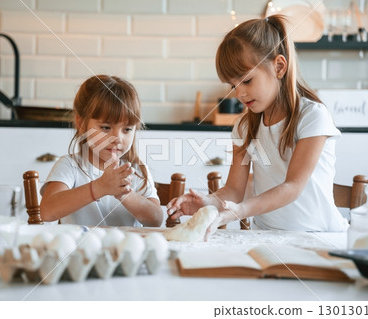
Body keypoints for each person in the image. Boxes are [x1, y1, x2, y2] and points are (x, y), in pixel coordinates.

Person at [167, 15, 348, 234]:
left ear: (279, 67)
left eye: (247, 80)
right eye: (233, 86)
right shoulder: (244, 127)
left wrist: (240, 210)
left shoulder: (312, 117)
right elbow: (234, 189)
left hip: (321, 237)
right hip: (267, 235)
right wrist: (206, 202)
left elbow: (292, 187)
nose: (240, 94)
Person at [40, 75, 163, 227]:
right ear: (81, 124)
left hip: (125, 250)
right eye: (105, 127)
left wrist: (125, 194)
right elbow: (46, 212)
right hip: (81, 250)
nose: (117, 138)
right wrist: (99, 188)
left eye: (127, 129)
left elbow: (156, 219)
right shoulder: (70, 166)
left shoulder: (137, 170)